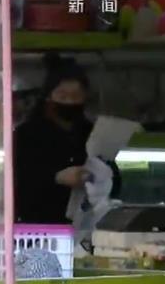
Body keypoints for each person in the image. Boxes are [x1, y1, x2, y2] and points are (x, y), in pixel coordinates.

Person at [14, 54, 120, 224]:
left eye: (76, 96)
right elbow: (17, 180)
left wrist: (99, 177)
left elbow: (114, 175)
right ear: (49, 97)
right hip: (39, 224)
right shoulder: (26, 134)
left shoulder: (95, 133)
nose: (70, 102)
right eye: (62, 96)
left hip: (87, 224)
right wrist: (56, 178)